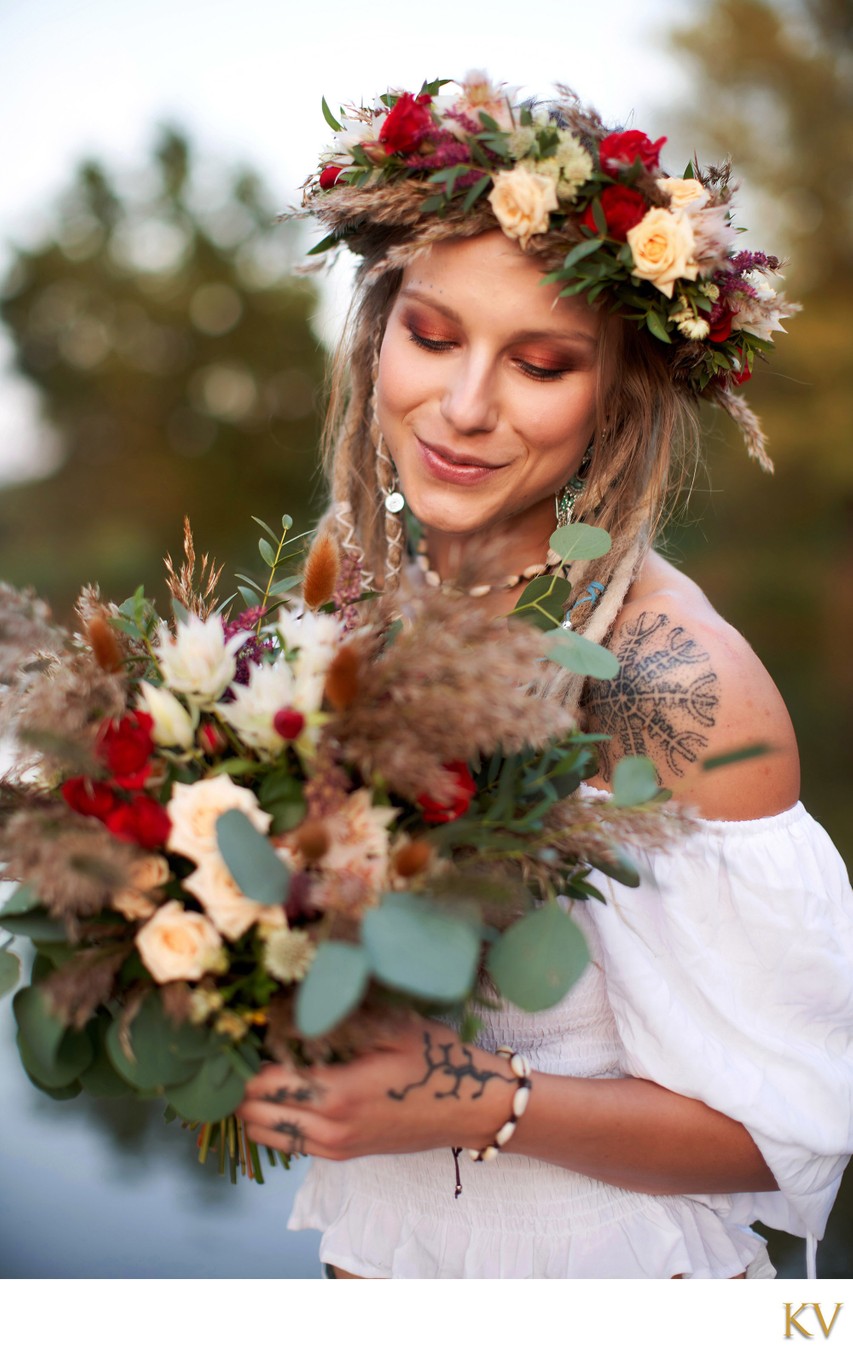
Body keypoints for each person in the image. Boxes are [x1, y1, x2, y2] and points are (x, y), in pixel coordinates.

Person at [236, 75, 853, 1279]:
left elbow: (790, 1133)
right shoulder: (345, 589)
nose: (463, 408)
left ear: (612, 391)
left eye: (538, 362)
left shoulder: (673, 684)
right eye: (432, 336)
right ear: (376, 334)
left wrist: (475, 1098)